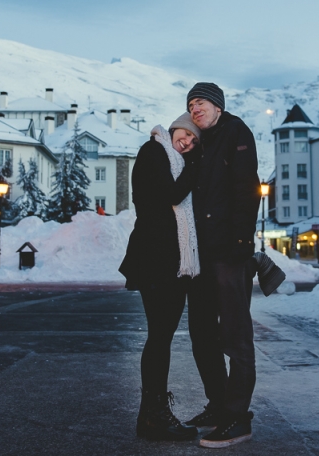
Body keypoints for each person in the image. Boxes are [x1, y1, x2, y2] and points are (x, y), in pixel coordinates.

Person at [183, 82, 261, 448]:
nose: (195, 109)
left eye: (201, 103)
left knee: (235, 336)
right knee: (201, 334)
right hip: (202, 255)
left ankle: (238, 418)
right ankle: (217, 405)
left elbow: (248, 187)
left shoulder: (235, 132)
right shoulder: (202, 142)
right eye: (190, 105)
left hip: (229, 254)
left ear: (217, 106)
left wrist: (242, 243)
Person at [119, 113, 202, 442]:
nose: (189, 142)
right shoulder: (154, 151)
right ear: (175, 128)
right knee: (158, 337)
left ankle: (151, 415)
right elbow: (171, 195)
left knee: (161, 336)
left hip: (168, 260)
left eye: (196, 141)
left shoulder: (174, 160)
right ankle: (153, 416)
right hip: (155, 258)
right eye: (187, 134)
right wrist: (195, 167)